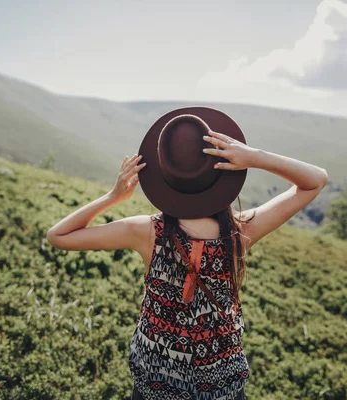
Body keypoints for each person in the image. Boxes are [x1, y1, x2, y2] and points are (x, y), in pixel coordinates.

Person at [46, 107, 328, 400]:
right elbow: (316, 179)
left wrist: (113, 196)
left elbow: (58, 235)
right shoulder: (239, 232)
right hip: (221, 384)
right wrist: (253, 156)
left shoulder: (147, 232)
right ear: (221, 175)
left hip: (155, 380)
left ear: (164, 177)